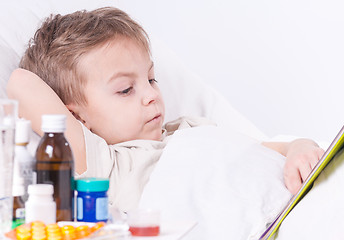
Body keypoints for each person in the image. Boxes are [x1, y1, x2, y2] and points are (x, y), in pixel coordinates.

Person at [7, 7, 324, 212]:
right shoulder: (105, 164)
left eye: (151, 78)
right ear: (77, 117)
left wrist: (299, 148)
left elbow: (267, 149)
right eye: (126, 89)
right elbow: (20, 83)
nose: (150, 95)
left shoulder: (190, 128)